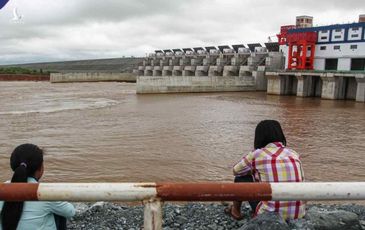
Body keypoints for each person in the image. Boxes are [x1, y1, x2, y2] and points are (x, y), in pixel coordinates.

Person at [226, 120, 305, 220]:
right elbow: (302, 181)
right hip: (298, 214)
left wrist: (253, 171)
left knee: (240, 178)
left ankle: (235, 211)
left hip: (268, 216)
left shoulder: (257, 154)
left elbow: (236, 171)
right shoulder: (294, 154)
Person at [0, 144, 75, 230]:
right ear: (40, 168)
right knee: (59, 212)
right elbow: (71, 212)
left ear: (13, 166)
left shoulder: (3, 188)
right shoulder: (45, 192)